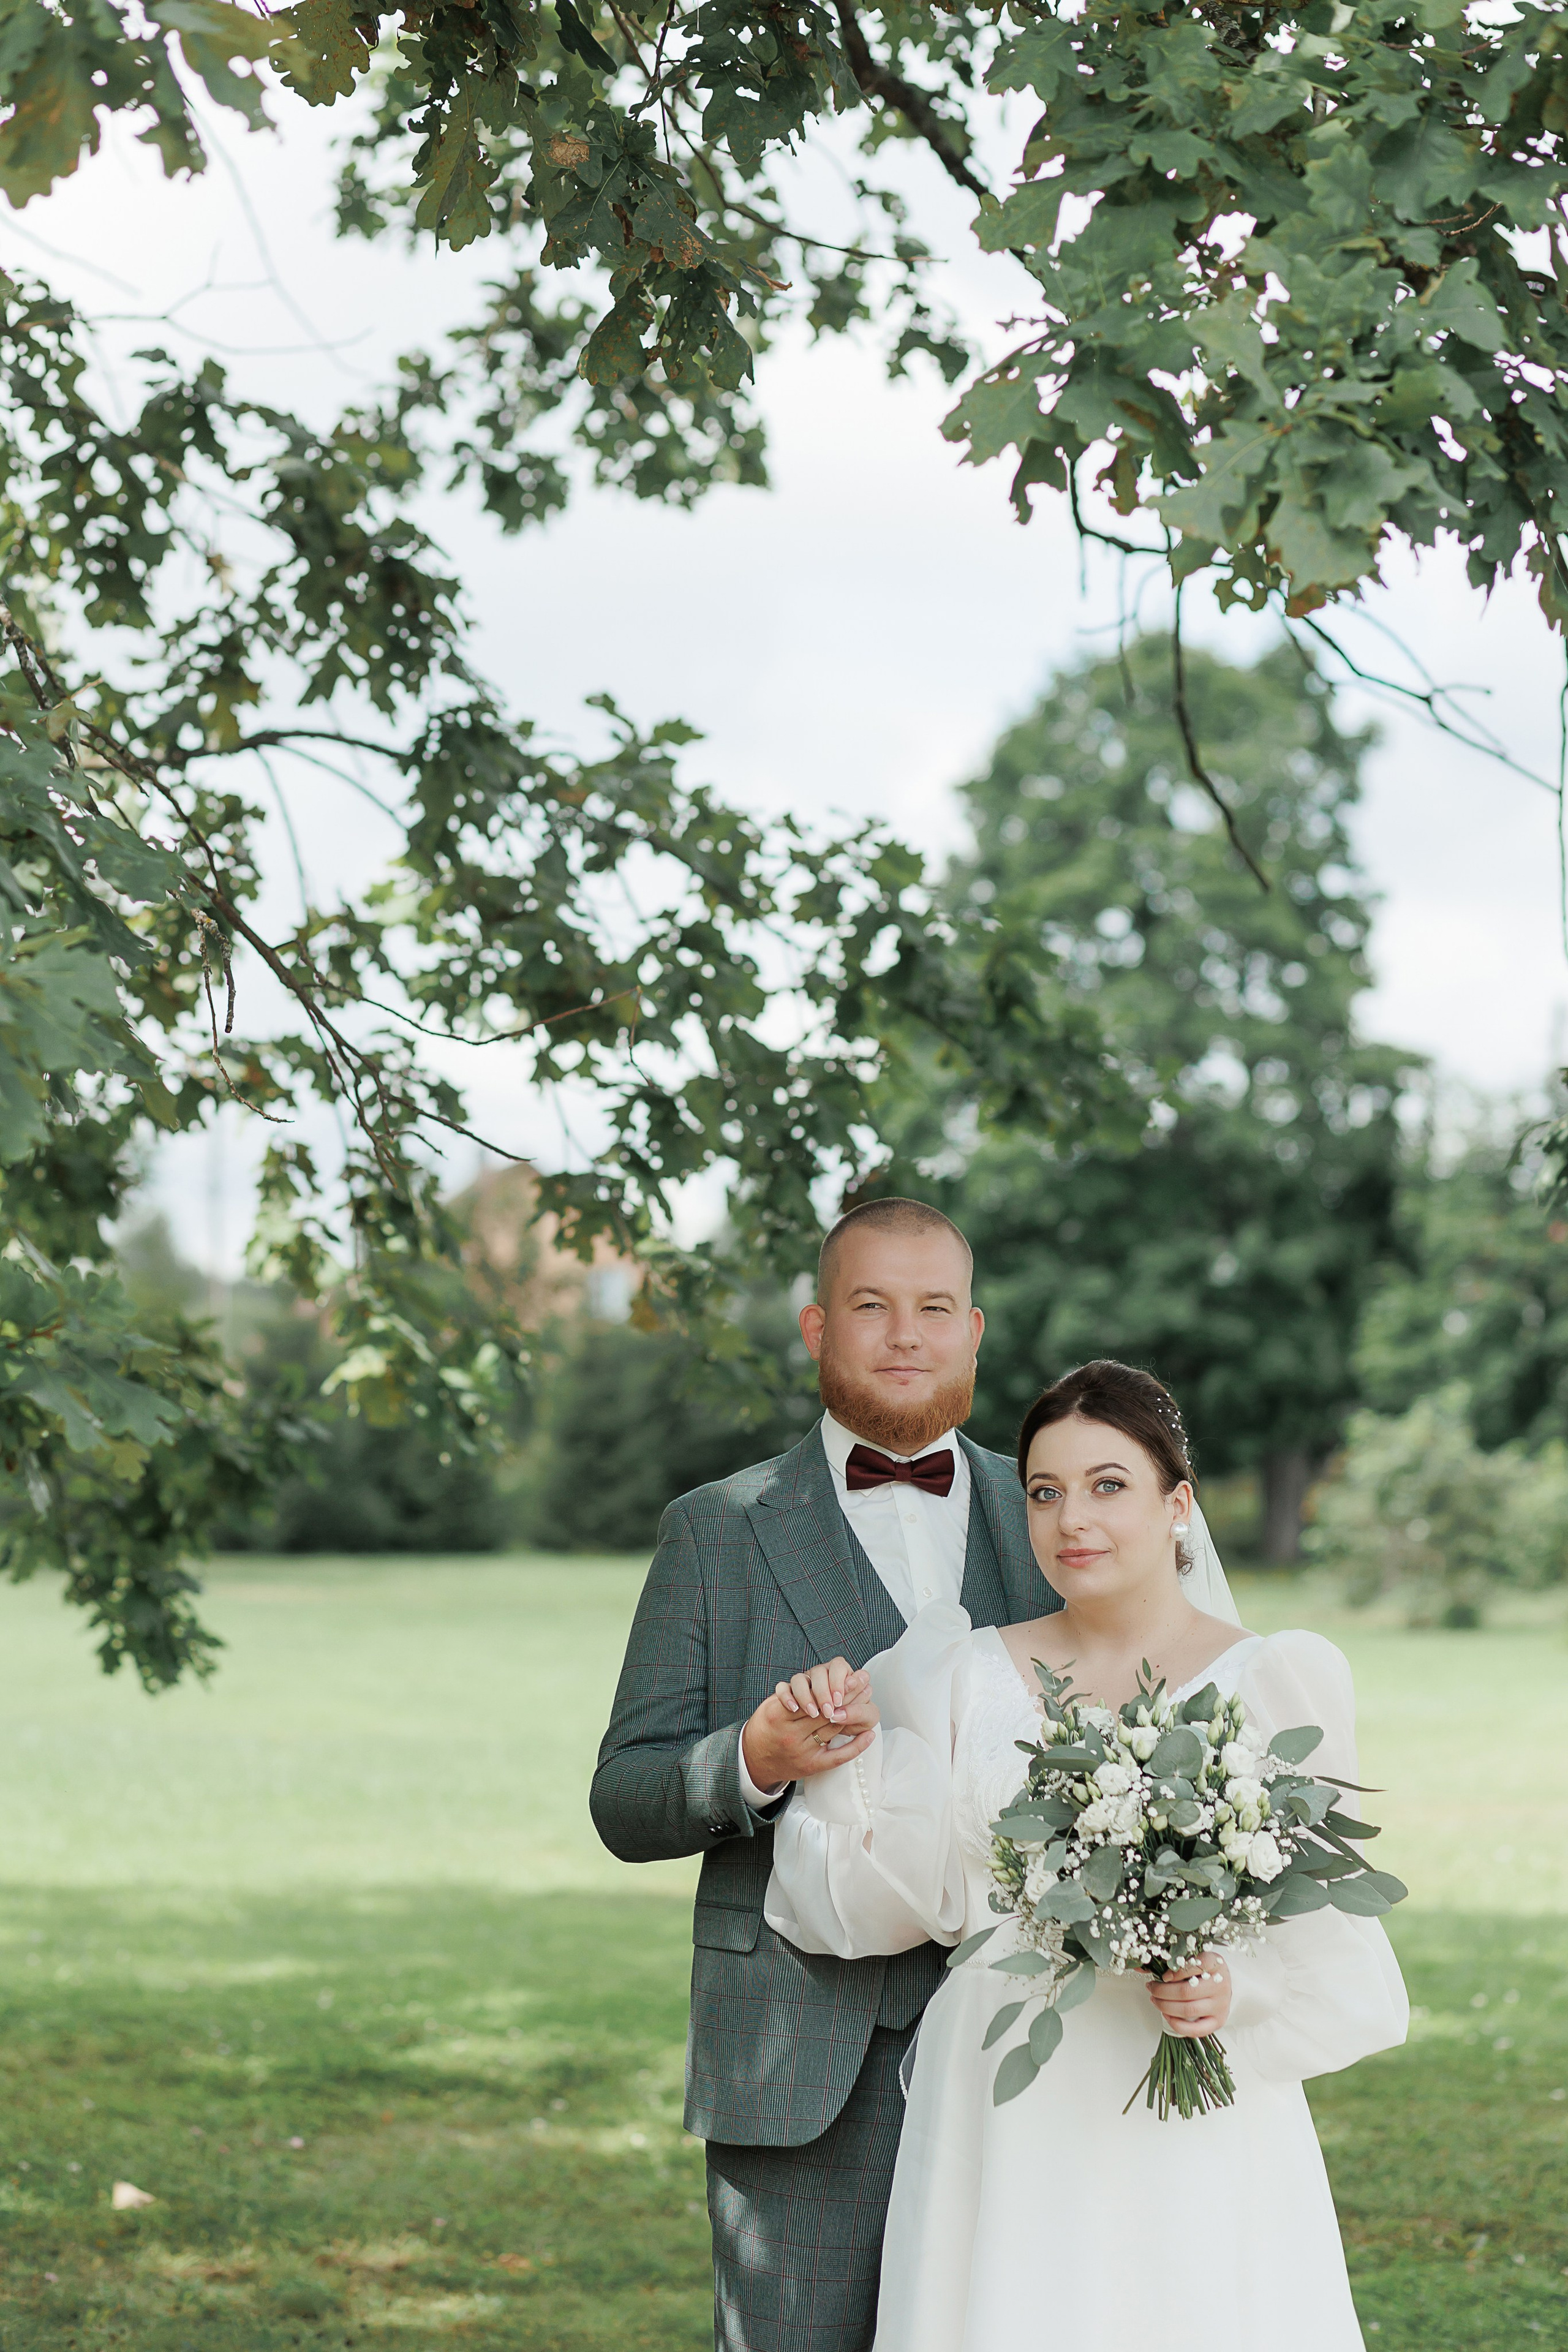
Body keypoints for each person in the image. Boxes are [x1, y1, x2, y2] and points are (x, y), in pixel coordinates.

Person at [764, 1358, 1409, 2352]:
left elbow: (1327, 1940)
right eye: (1046, 1493)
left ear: (1178, 1504)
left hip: (1189, 2086)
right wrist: (840, 1759)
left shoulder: (1275, 1678)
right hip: (1004, 2094)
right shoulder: (958, 1674)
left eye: (1109, 1486)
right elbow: (907, 1898)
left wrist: (1232, 1989)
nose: (1074, 1521)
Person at [590, 1200, 1059, 2352]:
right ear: (815, 1328)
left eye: (934, 1308)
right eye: (871, 1306)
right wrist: (754, 1760)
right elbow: (624, 1796)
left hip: (1024, 2049)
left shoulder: (1058, 1514)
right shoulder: (719, 1529)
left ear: (976, 1331)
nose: (907, 1335)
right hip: (794, 2066)